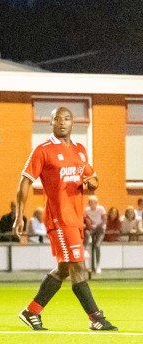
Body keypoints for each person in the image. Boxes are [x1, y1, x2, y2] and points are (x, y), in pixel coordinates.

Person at [15, 106, 116, 331]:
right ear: (50, 123)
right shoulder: (42, 150)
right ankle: (95, 318)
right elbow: (25, 180)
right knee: (78, 266)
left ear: (73, 123)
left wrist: (93, 183)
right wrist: (19, 215)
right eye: (57, 119)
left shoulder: (80, 150)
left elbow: (93, 176)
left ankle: (32, 311)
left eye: (67, 119)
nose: (62, 122)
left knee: (63, 269)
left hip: (76, 218)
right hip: (59, 219)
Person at [84, 195, 107, 273]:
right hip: (91, 229)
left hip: (100, 229)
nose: (91, 203)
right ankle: (91, 266)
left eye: (92, 202)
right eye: (90, 202)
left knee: (97, 246)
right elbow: (85, 219)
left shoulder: (101, 209)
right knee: (91, 246)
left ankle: (98, 265)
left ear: (96, 202)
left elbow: (104, 220)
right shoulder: (86, 210)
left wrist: (97, 225)